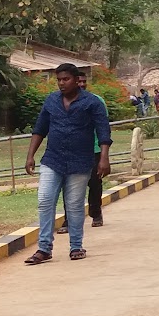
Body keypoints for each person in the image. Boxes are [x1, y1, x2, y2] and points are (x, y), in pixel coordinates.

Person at [24, 62, 111, 264]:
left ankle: (76, 246)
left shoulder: (92, 103)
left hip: (80, 161)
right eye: (59, 80)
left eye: (66, 79)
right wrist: (30, 155)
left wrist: (104, 158)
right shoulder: (51, 101)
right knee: (45, 200)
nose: (62, 83)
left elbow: (103, 130)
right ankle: (44, 248)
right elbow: (40, 129)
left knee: (74, 205)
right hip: (52, 159)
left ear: (76, 81)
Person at [56, 70, 106, 234]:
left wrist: (104, 156)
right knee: (69, 186)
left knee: (94, 183)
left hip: (94, 150)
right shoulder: (61, 102)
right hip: (71, 152)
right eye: (80, 82)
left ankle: (96, 214)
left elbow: (103, 129)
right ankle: (68, 220)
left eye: (84, 82)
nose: (82, 85)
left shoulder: (96, 101)